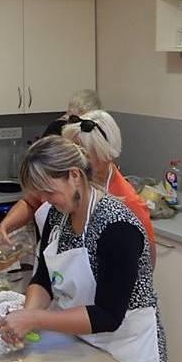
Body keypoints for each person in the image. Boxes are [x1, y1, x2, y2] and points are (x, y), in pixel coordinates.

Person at [0, 137, 171, 362]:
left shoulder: (117, 226)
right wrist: (27, 313)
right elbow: (45, 276)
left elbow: (108, 315)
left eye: (50, 191)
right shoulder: (58, 215)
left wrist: (35, 319)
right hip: (79, 342)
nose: (46, 200)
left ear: (74, 176)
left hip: (124, 348)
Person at [61, 110, 157, 268]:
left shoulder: (128, 202)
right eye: (74, 152)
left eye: (85, 155)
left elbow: (148, 261)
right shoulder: (73, 185)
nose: (76, 162)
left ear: (106, 155)